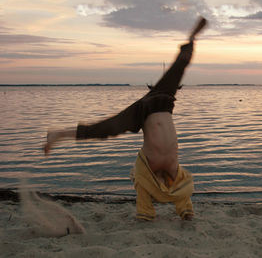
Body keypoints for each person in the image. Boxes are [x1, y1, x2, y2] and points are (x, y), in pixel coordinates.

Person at [44, 17, 207, 221]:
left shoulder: (165, 176)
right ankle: (59, 134)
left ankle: (182, 214)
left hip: (158, 103)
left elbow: (177, 192)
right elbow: (180, 66)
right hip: (157, 100)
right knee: (106, 128)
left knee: (109, 129)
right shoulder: (161, 174)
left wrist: (184, 211)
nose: (163, 184)